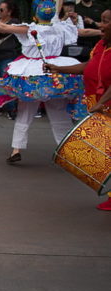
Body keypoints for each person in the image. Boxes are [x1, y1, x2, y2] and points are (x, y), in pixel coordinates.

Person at [0, 0, 86, 164]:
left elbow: (2, 27)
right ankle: (69, 153)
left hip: (32, 73)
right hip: (56, 72)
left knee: (25, 113)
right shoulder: (60, 28)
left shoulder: (30, 29)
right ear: (52, 14)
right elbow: (87, 32)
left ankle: (16, 150)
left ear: (35, 14)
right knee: (59, 115)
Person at [46, 8, 111, 210]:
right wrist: (57, 68)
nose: (101, 25)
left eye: (106, 21)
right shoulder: (101, 45)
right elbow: (88, 66)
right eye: (101, 21)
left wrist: (103, 103)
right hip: (99, 105)